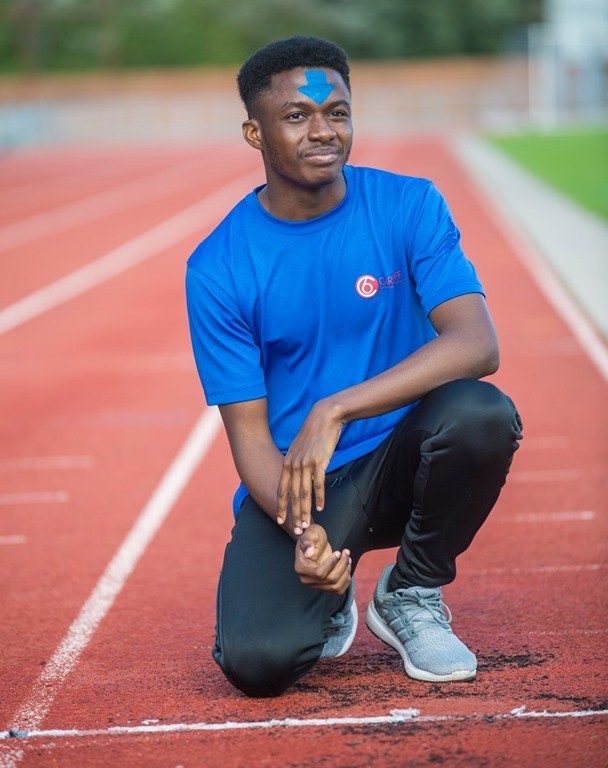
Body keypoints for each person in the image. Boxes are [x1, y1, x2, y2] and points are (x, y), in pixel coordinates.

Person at [186, 35, 522, 698]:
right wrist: (305, 536)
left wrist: (335, 407)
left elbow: (476, 343)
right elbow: (249, 437)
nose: (323, 130)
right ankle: (331, 592)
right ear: (254, 132)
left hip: (405, 459)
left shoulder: (408, 204)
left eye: (337, 113)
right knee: (256, 665)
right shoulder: (219, 266)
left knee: (482, 416)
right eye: (297, 116)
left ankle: (411, 590)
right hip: (299, 486)